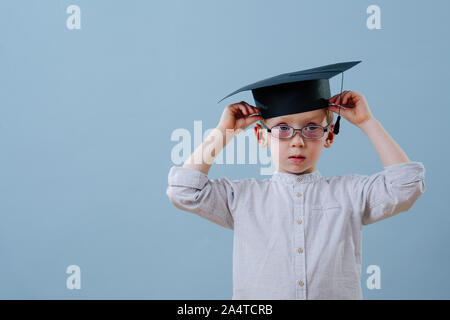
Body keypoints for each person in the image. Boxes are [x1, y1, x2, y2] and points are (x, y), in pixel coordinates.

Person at [166, 61, 426, 299]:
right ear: (261, 136)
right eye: (282, 129)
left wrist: (367, 122)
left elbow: (406, 186)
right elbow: (184, 191)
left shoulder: (350, 193)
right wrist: (224, 131)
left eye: (312, 128)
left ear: (329, 137)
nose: (297, 141)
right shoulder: (242, 198)